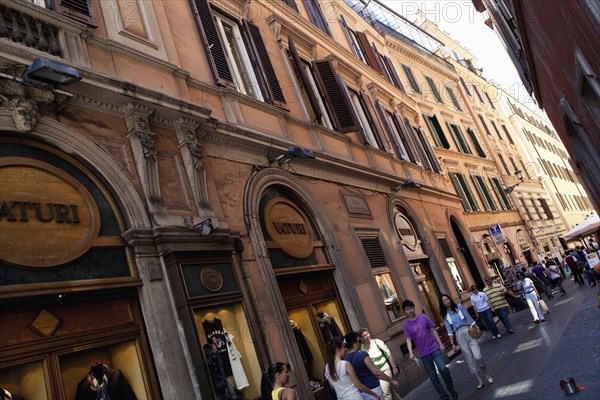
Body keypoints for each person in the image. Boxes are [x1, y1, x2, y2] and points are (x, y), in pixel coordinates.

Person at [402, 300, 457, 400]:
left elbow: (433, 330)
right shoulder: (406, 325)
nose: (410, 310)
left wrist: (440, 344)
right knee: (433, 377)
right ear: (405, 312)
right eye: (407, 309)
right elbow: (408, 340)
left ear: (414, 308)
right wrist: (410, 353)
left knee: (443, 369)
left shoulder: (423, 317)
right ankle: (443, 396)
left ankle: (451, 388)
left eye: (411, 308)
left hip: (434, 348)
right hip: (424, 354)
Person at [440, 294, 493, 390]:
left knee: (478, 356)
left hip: (468, 330)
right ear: (442, 303)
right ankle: (479, 380)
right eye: (444, 301)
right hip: (459, 336)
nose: (446, 301)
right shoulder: (446, 316)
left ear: (450, 299)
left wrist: (476, 327)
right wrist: (452, 344)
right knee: (469, 358)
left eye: (447, 299)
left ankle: (486, 374)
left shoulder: (459, 307)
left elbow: (468, 317)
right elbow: (449, 331)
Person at [343, 332, 399, 400]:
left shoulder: (344, 361)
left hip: (362, 393)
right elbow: (376, 372)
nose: (360, 343)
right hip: (374, 389)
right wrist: (392, 381)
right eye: (359, 341)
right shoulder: (362, 355)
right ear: (354, 343)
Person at [358, 328, 397, 400]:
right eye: (365, 335)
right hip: (375, 374)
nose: (367, 336)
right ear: (361, 338)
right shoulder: (362, 349)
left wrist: (394, 367)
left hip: (385, 369)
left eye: (368, 334)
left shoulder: (377, 342)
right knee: (390, 392)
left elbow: (388, 355)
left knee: (385, 393)